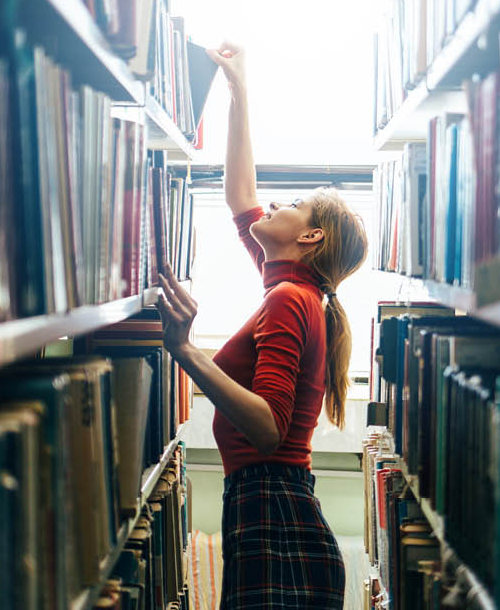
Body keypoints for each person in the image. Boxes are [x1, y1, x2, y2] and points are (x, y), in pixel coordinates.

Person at [154, 41, 369, 609]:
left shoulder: (289, 300)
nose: (272, 205)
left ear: (310, 237)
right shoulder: (290, 288)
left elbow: (269, 428)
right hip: (272, 508)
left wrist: (185, 350)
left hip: (273, 512)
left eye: (292, 204)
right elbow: (241, 196)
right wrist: (238, 89)